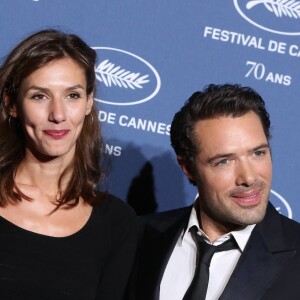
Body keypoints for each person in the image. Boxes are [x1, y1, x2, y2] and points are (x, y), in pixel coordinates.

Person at [0, 29, 137, 299]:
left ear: (89, 102)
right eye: (40, 96)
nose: (58, 115)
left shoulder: (117, 225)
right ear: (12, 104)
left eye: (72, 96)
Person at [129, 84, 300, 300]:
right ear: (188, 168)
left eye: (257, 153)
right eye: (224, 161)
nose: (248, 178)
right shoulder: (137, 237)